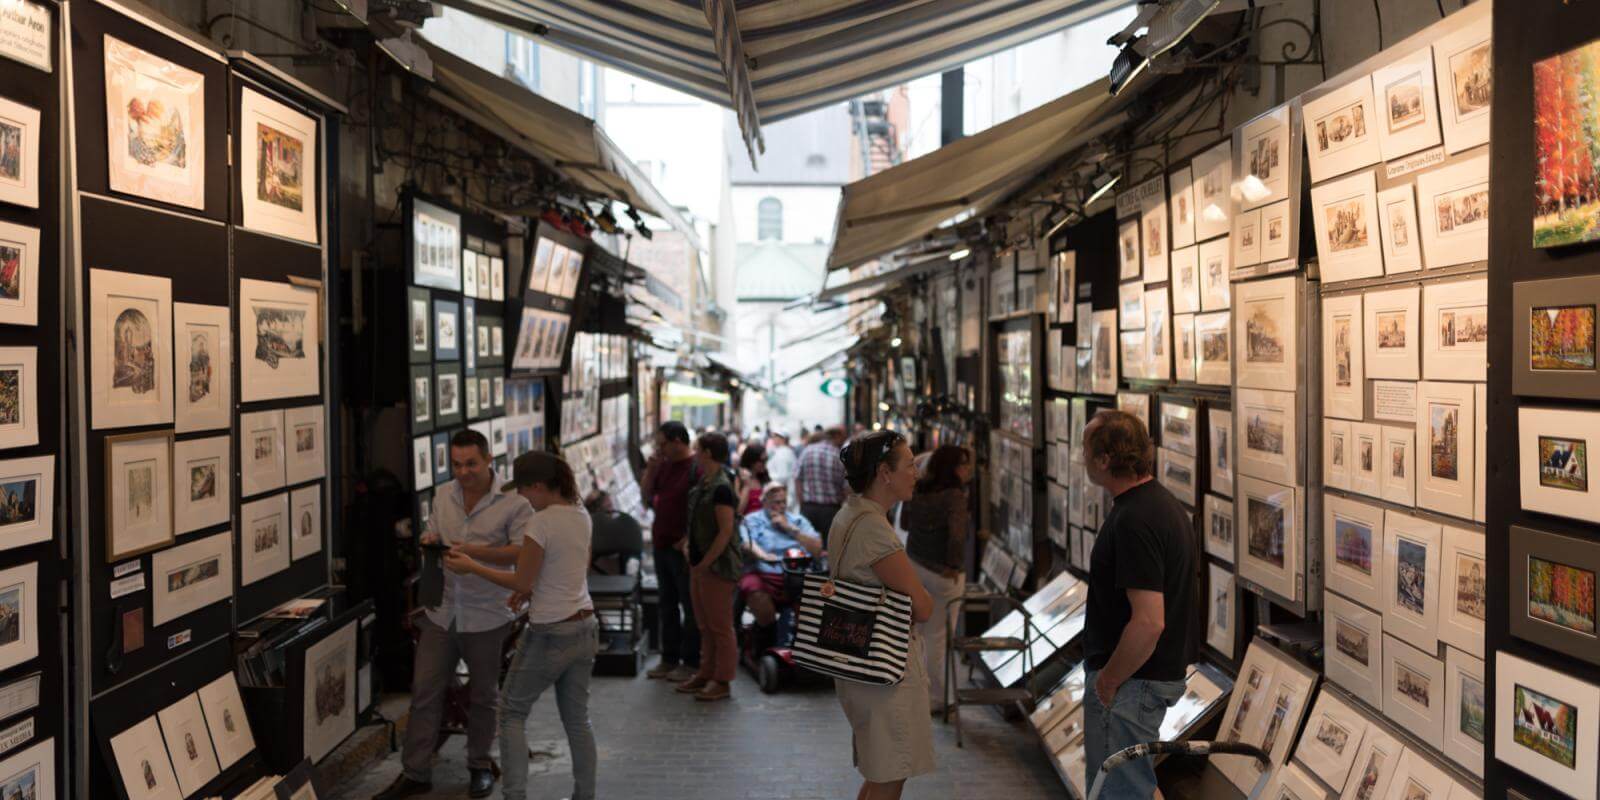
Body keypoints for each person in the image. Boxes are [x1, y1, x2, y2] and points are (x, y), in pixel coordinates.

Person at [375, 430, 531, 800]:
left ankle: (479, 765)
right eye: (457, 464)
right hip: (443, 610)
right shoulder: (444, 494)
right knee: (425, 692)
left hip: (487, 613)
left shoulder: (514, 503)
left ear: (489, 459)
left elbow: (521, 553)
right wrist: (429, 541)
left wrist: (472, 554)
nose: (463, 472)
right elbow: (433, 531)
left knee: (484, 695)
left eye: (471, 464)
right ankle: (416, 771)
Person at [444, 451, 598, 800]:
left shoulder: (541, 522)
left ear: (540, 486)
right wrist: (531, 592)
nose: (524, 499)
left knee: (511, 713)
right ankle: (584, 795)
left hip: (550, 633)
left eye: (526, 491)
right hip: (585, 625)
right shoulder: (581, 514)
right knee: (577, 721)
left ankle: (514, 795)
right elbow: (566, 570)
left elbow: (520, 579)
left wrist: (471, 565)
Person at [1079, 410, 1200, 800]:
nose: (1081, 458)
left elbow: (1148, 622)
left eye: (1086, 449)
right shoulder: (1157, 505)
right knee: (1133, 788)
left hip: (1133, 682)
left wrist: (1110, 679)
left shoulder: (1136, 518)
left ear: (1103, 460)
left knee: (1116, 792)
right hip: (1142, 679)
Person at [830, 431, 936, 799]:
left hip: (862, 661)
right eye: (909, 465)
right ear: (884, 474)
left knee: (882, 773)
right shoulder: (874, 529)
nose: (916, 473)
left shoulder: (852, 514)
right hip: (884, 671)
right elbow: (922, 606)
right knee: (888, 776)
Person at [900, 445, 974, 714]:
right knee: (939, 637)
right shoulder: (955, 495)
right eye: (964, 464)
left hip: (914, 564)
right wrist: (953, 565)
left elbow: (905, 523)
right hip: (944, 573)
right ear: (952, 467)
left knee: (918, 633)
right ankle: (939, 698)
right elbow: (956, 536)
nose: (968, 470)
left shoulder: (919, 489)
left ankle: (917, 691)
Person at [675, 432, 742, 701]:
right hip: (700, 564)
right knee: (705, 624)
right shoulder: (705, 483)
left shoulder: (721, 488)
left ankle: (722, 679)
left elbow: (725, 532)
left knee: (720, 626)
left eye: (699, 449)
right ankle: (706, 672)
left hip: (716, 567)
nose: (695, 453)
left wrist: (705, 563)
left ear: (709, 453)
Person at [640, 421, 699, 681]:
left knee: (689, 604)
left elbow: (701, 510)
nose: (659, 449)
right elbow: (645, 499)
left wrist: (688, 538)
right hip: (661, 543)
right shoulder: (662, 466)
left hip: (681, 547)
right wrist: (650, 472)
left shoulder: (696, 469)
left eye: (663, 443)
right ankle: (669, 658)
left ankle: (691, 661)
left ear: (678, 441)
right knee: (667, 605)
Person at [738, 483, 822, 635]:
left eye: (784, 502)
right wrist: (763, 555)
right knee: (754, 590)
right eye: (776, 502)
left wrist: (790, 529)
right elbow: (747, 543)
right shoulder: (753, 520)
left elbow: (817, 549)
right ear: (764, 502)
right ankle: (764, 638)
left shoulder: (797, 521)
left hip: (797, 575)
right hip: (765, 572)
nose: (781, 506)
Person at [794, 426, 848, 544]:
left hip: (808, 507)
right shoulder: (837, 455)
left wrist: (801, 502)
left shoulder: (807, 451)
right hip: (831, 510)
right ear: (837, 437)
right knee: (831, 547)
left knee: (808, 545)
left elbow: (797, 478)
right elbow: (845, 486)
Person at [737, 443, 769, 514]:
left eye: (766, 460)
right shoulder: (739, 479)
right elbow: (739, 511)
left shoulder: (764, 478)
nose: (765, 463)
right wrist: (747, 486)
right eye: (762, 461)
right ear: (752, 460)